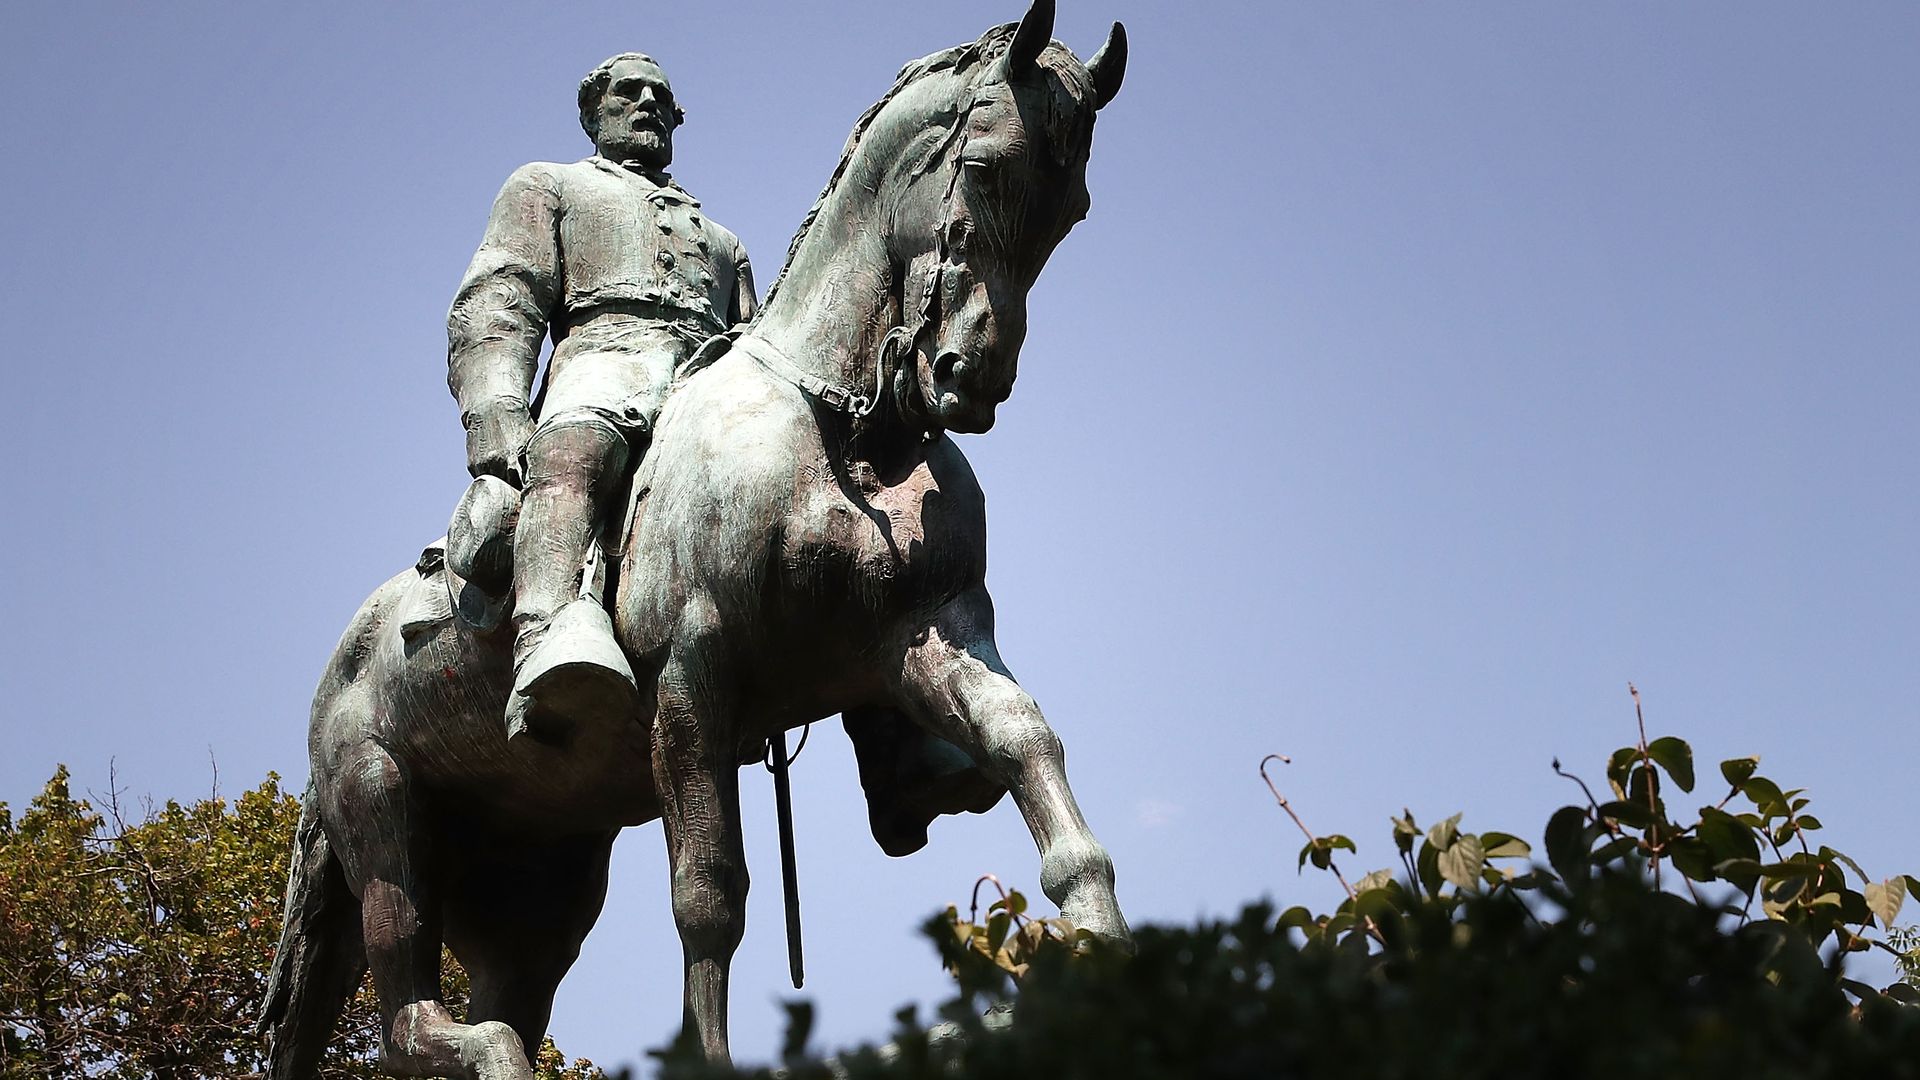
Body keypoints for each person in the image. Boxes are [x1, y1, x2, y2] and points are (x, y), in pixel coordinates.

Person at [447, 52, 755, 738]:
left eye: (661, 95)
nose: (647, 101)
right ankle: (546, 635)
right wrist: (498, 412)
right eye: (628, 91)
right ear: (592, 114)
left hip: (711, 379)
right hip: (603, 358)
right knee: (578, 445)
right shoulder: (548, 185)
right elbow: (502, 298)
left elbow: (754, 339)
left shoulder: (726, 244)